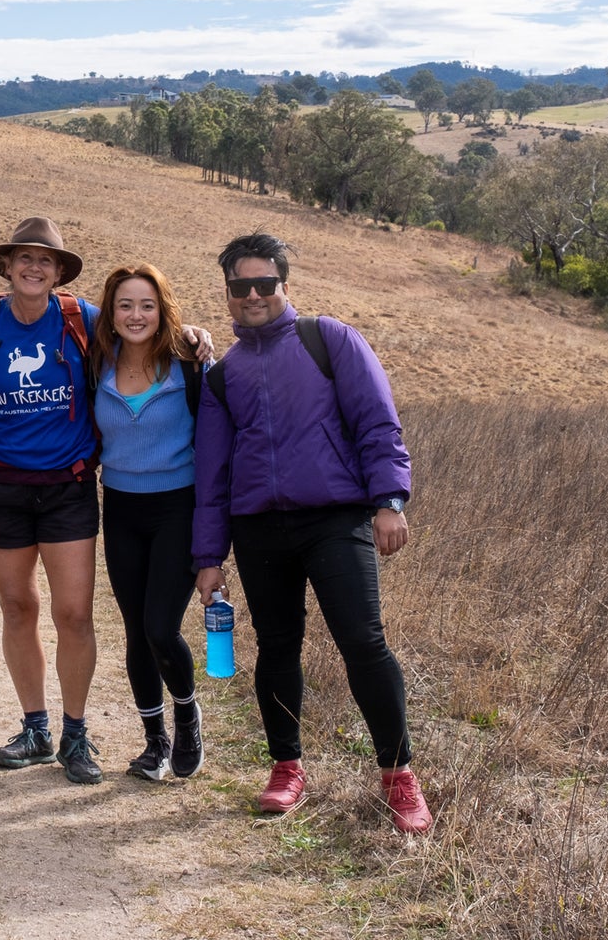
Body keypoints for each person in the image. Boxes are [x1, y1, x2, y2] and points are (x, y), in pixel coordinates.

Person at [191, 232, 431, 834]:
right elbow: (212, 476)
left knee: (363, 642)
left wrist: (389, 500)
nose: (253, 295)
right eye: (241, 286)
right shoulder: (221, 377)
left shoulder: (330, 339)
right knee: (276, 648)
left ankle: (399, 776)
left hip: (334, 519)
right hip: (258, 529)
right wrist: (208, 556)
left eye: (264, 284)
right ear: (227, 294)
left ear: (283, 285)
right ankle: (286, 768)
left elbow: (378, 423)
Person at [0, 217, 107, 784]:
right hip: (2, 488)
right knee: (18, 607)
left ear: (59, 271)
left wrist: (190, 333)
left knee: (74, 613)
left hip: (68, 486)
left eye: (46, 260)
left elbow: (141, 339)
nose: (34, 267)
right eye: (25, 257)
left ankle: (76, 734)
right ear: (7, 265)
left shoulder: (81, 319)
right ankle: (35, 729)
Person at [91, 263, 208, 782]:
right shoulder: (95, 361)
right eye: (125, 305)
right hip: (120, 508)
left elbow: (215, 440)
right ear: (111, 313)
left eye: (147, 305)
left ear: (163, 311)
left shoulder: (188, 364)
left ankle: (187, 717)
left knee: (161, 627)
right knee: (137, 632)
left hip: (177, 507)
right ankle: (155, 742)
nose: (135, 315)